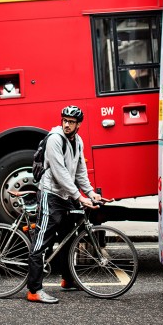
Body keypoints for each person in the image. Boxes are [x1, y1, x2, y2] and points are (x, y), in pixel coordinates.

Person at [26, 105, 103, 304]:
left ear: (79, 125)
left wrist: (91, 193)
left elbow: (80, 172)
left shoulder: (78, 141)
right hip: (50, 194)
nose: (67, 124)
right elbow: (60, 173)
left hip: (65, 196)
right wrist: (79, 197)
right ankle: (34, 290)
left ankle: (68, 280)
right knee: (42, 241)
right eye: (64, 121)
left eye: (71, 122)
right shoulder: (54, 139)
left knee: (70, 237)